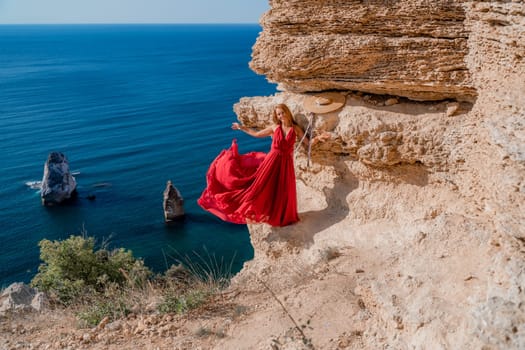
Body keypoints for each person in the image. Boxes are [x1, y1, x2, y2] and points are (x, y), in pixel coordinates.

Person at [197, 103, 326, 227]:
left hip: (286, 163)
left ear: (287, 112)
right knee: (258, 188)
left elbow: (307, 143)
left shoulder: (295, 128)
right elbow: (257, 134)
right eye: (278, 114)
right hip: (272, 161)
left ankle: (284, 216)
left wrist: (319, 138)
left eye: (282, 113)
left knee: (285, 189)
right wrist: (241, 127)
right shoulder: (275, 127)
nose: (281, 116)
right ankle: (251, 208)